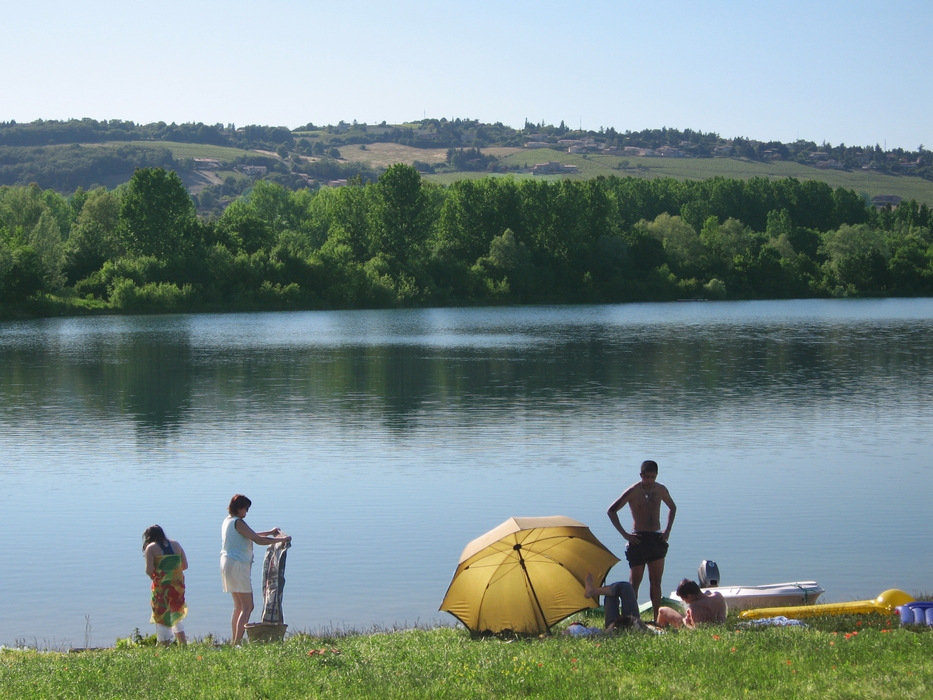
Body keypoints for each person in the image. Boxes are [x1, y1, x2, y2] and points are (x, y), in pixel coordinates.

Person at [607, 460, 676, 622]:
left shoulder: (661, 489)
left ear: (656, 475)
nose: (650, 480)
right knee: (634, 584)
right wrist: (625, 534)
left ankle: (658, 619)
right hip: (638, 539)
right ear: (641, 475)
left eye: (653, 477)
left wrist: (667, 530)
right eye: (647, 477)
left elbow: (673, 507)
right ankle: (630, 619)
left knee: (656, 582)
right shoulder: (633, 491)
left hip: (656, 538)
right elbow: (611, 511)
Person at [220, 494, 291, 645]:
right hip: (237, 566)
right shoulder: (238, 522)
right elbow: (258, 540)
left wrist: (271, 532)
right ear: (239, 508)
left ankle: (235, 641)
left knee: (238, 606)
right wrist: (281, 539)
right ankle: (237, 642)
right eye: (246, 509)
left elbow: (251, 535)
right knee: (248, 606)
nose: (247, 512)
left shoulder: (228, 520)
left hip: (227, 564)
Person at [142, 525, 188, 646]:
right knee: (176, 613)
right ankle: (183, 644)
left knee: (161, 615)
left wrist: (155, 576)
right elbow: (185, 565)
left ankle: (165, 645)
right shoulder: (176, 545)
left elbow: (149, 570)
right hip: (178, 587)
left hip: (161, 588)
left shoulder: (151, 548)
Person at [657, 578, 726, 629]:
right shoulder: (718, 596)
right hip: (720, 627)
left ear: (690, 596)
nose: (685, 602)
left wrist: (686, 622)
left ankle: (660, 631)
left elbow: (697, 631)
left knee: (662, 610)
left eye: (684, 599)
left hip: (699, 630)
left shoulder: (694, 607)